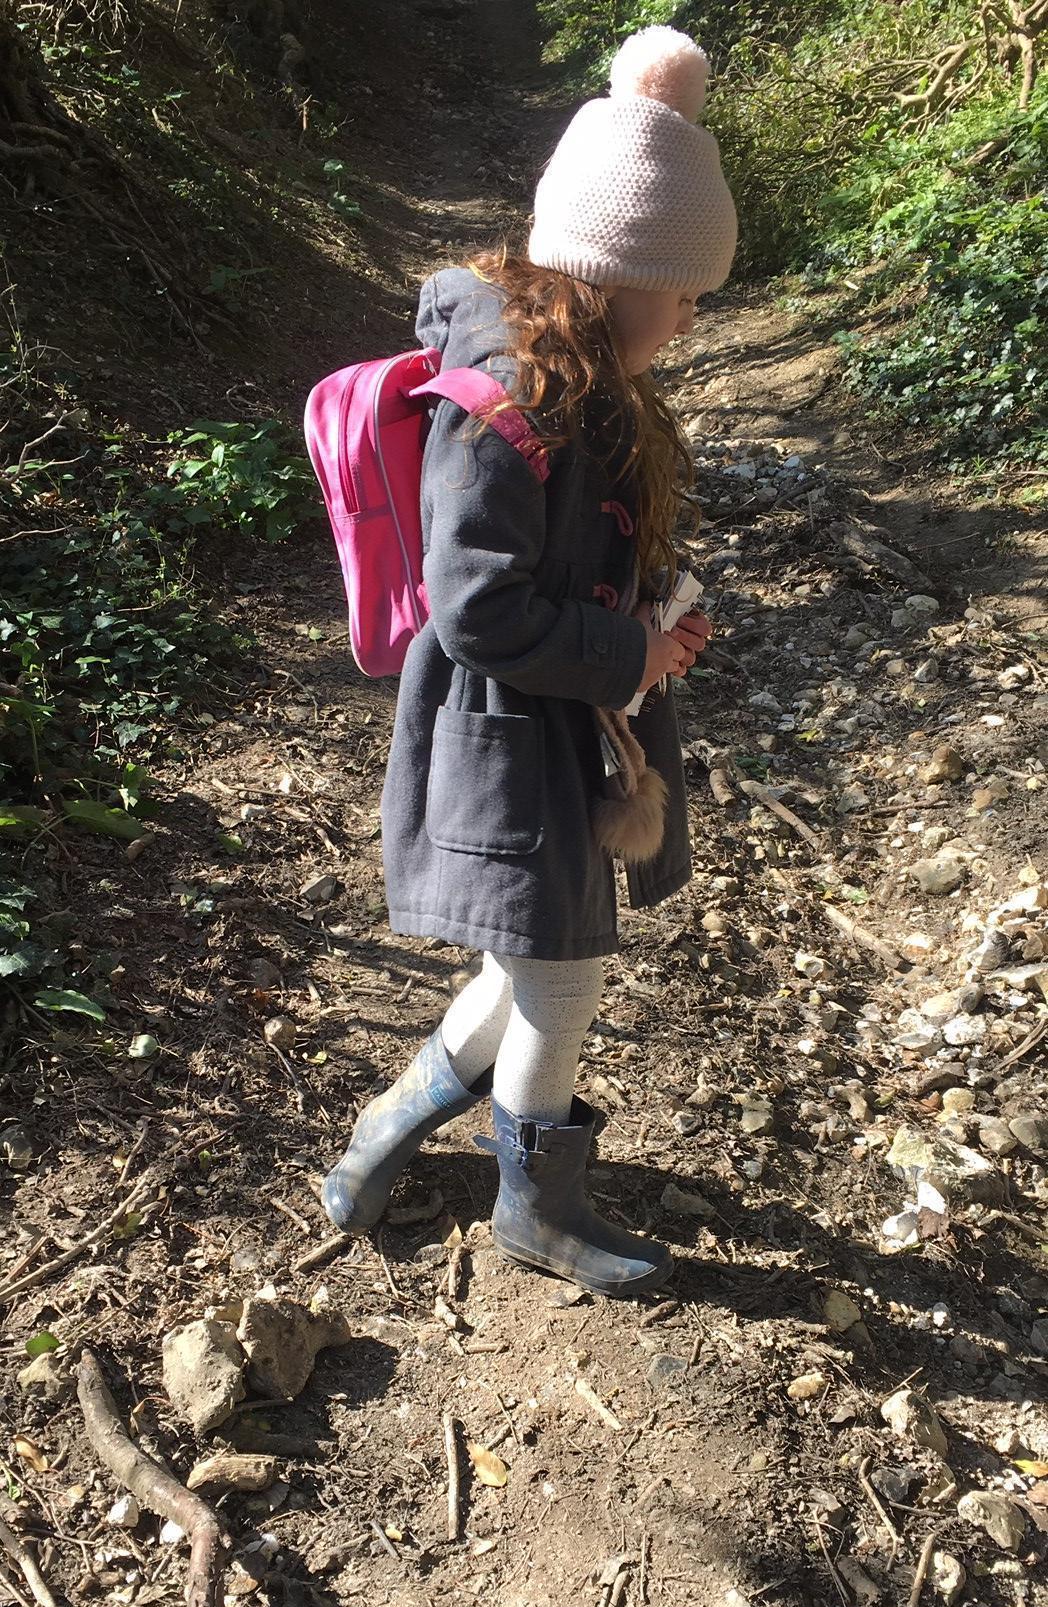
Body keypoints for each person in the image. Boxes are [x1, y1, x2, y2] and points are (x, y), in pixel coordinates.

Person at [322, 25, 737, 1296]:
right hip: (501, 733)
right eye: (680, 294)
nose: (688, 319)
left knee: (525, 958)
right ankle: (533, 1206)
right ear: (615, 279)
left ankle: (382, 1133)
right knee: (562, 973)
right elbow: (480, 610)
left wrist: (653, 614)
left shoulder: (590, 383)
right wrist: (627, 648)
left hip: (558, 720)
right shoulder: (504, 404)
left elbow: (579, 553)